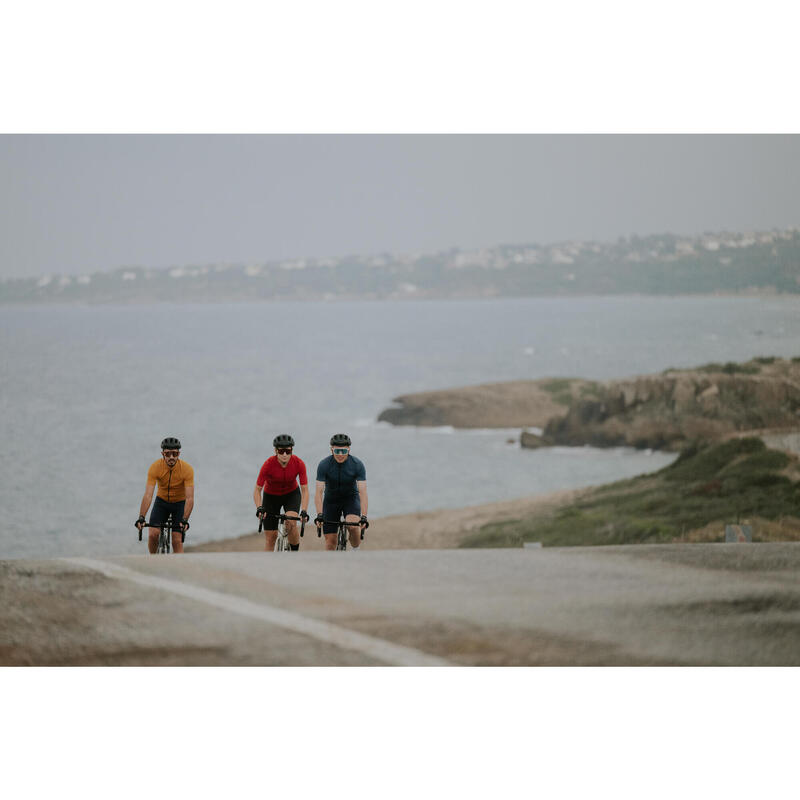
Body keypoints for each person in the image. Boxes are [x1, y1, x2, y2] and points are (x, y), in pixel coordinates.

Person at [135, 437, 194, 554]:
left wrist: (185, 519)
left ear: (179, 454)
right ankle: (153, 560)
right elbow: (148, 495)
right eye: (168, 454)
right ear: (162, 454)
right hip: (161, 502)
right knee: (153, 534)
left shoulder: (187, 469)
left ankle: (180, 569)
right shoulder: (155, 467)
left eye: (175, 454)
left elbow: (190, 498)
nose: (171, 457)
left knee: (177, 540)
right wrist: (141, 517)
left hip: (179, 504)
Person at [254, 434, 310, 552]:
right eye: (281, 451)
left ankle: (294, 552)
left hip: (291, 495)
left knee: (291, 522)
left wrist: (304, 510)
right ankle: (268, 566)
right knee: (271, 538)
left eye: (288, 451)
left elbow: (304, 490)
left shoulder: (299, 463)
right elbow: (257, 490)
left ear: (291, 451)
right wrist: (259, 507)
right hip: (271, 497)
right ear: (276, 451)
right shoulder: (268, 464)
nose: (284, 454)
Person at [314, 433, 369, 551]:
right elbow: (318, 492)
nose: (340, 455)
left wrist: (364, 516)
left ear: (349, 450)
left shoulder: (357, 464)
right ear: (331, 450)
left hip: (350, 499)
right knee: (330, 543)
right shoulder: (324, 465)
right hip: (331, 501)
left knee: (353, 526)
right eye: (336, 451)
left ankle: (356, 550)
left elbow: (363, 492)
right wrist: (319, 514)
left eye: (343, 451)